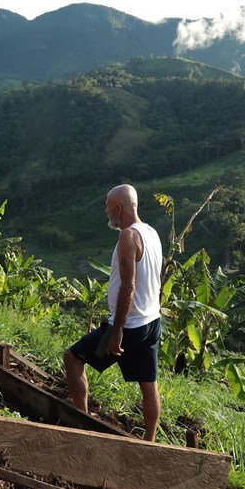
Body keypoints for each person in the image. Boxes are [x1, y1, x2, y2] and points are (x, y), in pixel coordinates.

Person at [64, 184, 163, 441]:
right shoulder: (151, 232)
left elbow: (129, 286)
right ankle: (150, 442)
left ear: (118, 208)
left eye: (108, 207)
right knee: (148, 384)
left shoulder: (128, 237)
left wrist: (116, 331)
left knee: (73, 358)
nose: (106, 212)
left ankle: (82, 424)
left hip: (128, 327)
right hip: (151, 321)